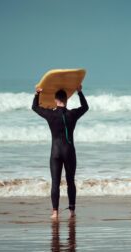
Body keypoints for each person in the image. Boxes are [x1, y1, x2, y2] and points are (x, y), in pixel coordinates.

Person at [32, 85, 89, 219]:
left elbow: (34, 107)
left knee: (55, 182)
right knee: (70, 182)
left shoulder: (50, 114)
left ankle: (55, 212)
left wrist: (37, 94)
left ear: (55, 100)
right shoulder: (72, 114)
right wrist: (80, 92)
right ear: (66, 99)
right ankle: (72, 211)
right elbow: (85, 107)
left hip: (55, 153)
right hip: (69, 152)